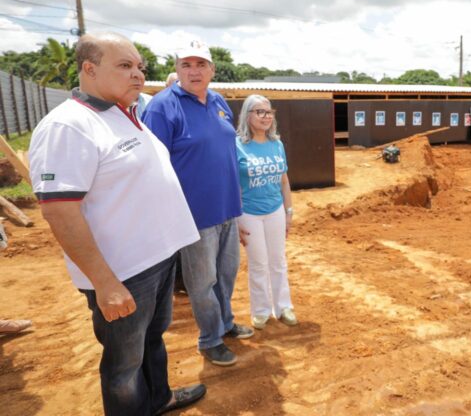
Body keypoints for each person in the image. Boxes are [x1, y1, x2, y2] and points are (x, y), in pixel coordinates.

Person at [29, 32, 206, 415]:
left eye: (139, 66)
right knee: (123, 367)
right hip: (122, 273)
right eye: (125, 66)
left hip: (156, 262)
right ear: (89, 69)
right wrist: (105, 284)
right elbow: (59, 211)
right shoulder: (69, 126)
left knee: (153, 342)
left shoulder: (120, 114)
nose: (138, 75)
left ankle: (159, 399)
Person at [143, 40, 252, 367]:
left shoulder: (218, 102)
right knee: (201, 282)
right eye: (187, 64)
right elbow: (152, 165)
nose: (194, 71)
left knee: (227, 273)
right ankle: (210, 339)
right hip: (193, 215)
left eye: (201, 64)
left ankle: (226, 322)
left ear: (212, 70)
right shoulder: (162, 107)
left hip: (228, 208)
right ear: (176, 69)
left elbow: (227, 151)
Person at [236, 95, 297, 329]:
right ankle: (261, 310)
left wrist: (288, 212)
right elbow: (231, 184)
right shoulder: (237, 145)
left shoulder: (276, 144)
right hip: (248, 212)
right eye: (259, 112)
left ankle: (284, 307)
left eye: (269, 112)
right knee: (258, 262)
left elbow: (284, 181)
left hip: (275, 210)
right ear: (247, 115)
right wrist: (234, 218)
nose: (266, 116)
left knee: (278, 260)